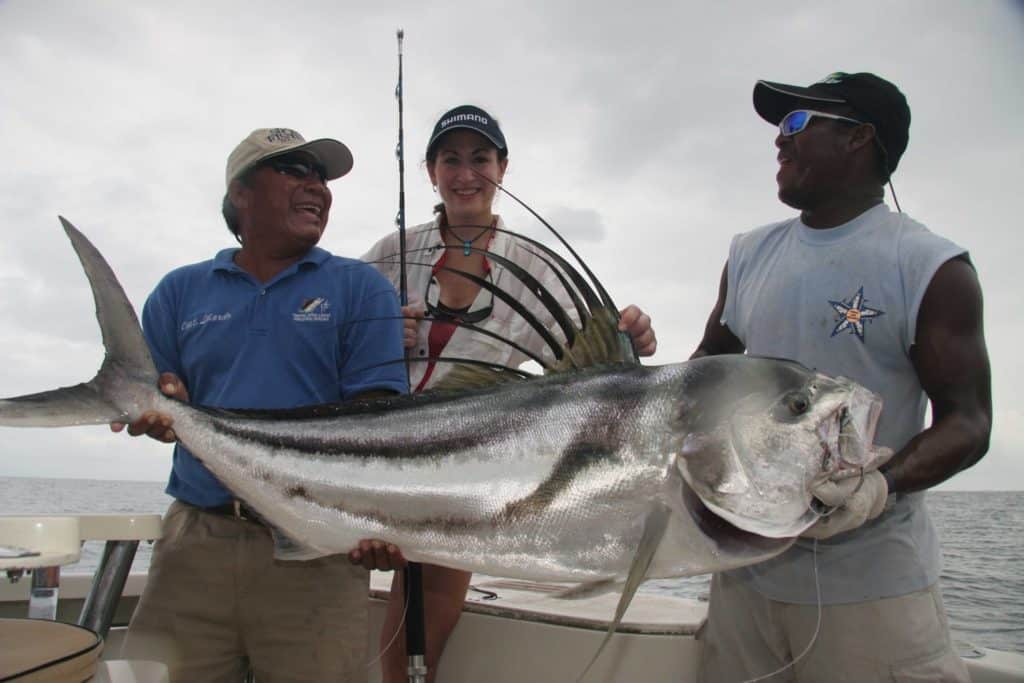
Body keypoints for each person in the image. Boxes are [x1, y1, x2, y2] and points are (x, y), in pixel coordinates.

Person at [691, 72, 991, 681]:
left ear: (859, 138)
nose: (779, 140)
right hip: (743, 582)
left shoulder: (929, 265)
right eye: (780, 126)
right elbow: (702, 381)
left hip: (874, 591)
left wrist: (878, 487)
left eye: (797, 122)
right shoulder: (749, 255)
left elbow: (969, 422)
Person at [350, 104, 658, 682]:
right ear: (430, 171)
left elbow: (590, 347)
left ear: (503, 167)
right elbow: (331, 324)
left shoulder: (532, 263)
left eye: (480, 159)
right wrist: (378, 329)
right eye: (450, 159)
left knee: (419, 644)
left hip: (466, 463)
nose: (466, 173)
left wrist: (632, 334)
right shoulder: (391, 251)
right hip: (376, 445)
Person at [114, 127, 409, 681]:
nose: (316, 187)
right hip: (194, 545)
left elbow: (378, 421)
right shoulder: (180, 291)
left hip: (316, 547)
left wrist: (378, 518)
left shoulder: (361, 288)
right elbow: (154, 391)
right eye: (294, 170)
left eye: (321, 177)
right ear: (241, 194)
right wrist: (154, 409)